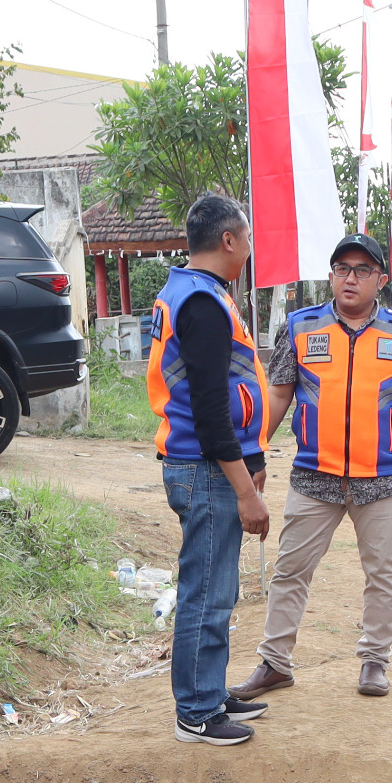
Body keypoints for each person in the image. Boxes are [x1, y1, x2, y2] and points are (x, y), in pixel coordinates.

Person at [229, 233, 392, 700]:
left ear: (381, 281)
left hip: (381, 480)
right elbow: (280, 393)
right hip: (314, 475)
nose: (351, 278)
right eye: (342, 268)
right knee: (290, 571)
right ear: (330, 276)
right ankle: (274, 663)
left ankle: (374, 661)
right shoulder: (301, 327)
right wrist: (254, 451)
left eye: (362, 270)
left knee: (383, 574)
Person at [146, 194, 270, 748]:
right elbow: (210, 410)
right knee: (207, 591)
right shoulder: (200, 302)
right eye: (246, 238)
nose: (249, 248)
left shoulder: (200, 293)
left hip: (208, 462)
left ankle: (210, 689)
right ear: (228, 241)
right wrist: (245, 489)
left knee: (217, 586)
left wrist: (253, 457)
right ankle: (196, 711)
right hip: (204, 467)